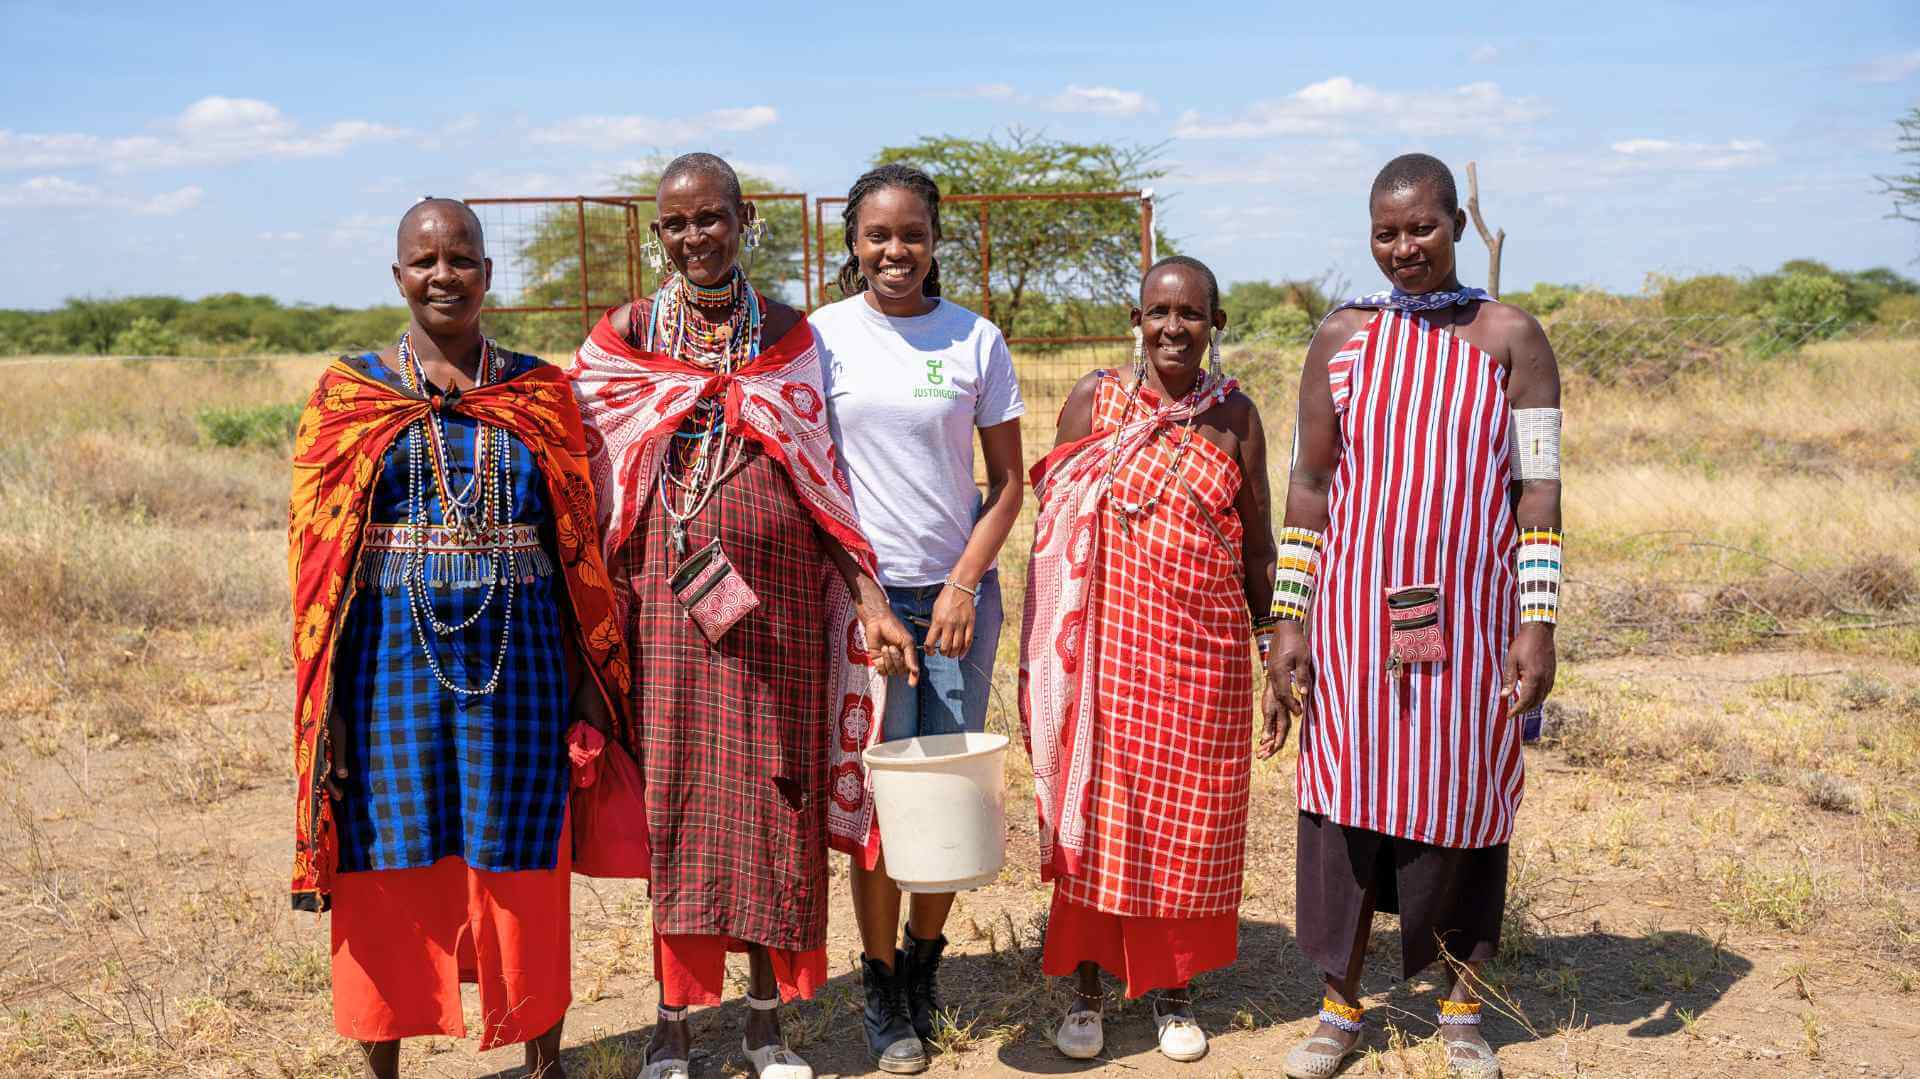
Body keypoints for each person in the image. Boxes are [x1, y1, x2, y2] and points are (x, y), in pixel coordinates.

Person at [568, 153, 919, 1079]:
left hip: (782, 616)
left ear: (743, 217)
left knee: (777, 803)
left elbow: (823, 480)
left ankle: (766, 1025)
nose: (695, 238)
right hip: (665, 614)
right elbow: (592, 474)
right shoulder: (628, 336)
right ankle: (672, 1026)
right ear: (658, 235)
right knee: (680, 808)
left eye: (711, 218)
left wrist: (872, 601)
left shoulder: (792, 337)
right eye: (676, 224)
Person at [287, 198, 630, 1079]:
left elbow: (576, 543)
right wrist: (324, 710)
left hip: (523, 664)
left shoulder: (540, 392)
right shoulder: (349, 394)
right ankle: (384, 1067)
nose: (444, 275)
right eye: (424, 260)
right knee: (386, 856)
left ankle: (544, 1058)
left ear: (487, 272)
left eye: (462, 258)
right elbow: (317, 558)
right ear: (397, 275)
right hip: (383, 666)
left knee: (523, 853)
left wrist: (590, 675)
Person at [1262, 152, 1563, 1079]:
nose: (1404, 248)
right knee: (1344, 800)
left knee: (1462, 797)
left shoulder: (1511, 336)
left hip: (1471, 621)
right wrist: (1288, 619)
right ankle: (1339, 1005)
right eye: (1386, 233)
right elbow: (1309, 484)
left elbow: (1538, 490)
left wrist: (1537, 621)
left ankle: (1463, 1004)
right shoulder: (1341, 338)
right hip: (1355, 621)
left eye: (1422, 228)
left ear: (1458, 228)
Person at [1020, 255, 1277, 1064]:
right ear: (1138, 319)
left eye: (1191, 314)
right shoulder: (1094, 403)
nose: (1173, 327)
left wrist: (1274, 650)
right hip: (1104, 661)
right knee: (1099, 819)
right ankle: (1088, 990)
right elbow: (1054, 534)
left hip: (1203, 666)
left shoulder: (1236, 419)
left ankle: (1172, 990)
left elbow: (1260, 549)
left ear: (1217, 325)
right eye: (1158, 311)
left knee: (1190, 829)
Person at [810, 163, 1026, 1074]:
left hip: (952, 607)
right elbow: (809, 480)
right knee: (877, 803)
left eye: (911, 235)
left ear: (935, 240)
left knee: (942, 794)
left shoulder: (975, 339)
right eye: (875, 236)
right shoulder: (819, 340)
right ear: (852, 242)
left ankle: (925, 972)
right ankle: (877, 980)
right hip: (864, 604)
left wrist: (963, 583)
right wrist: (867, 596)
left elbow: (1013, 481)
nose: (893, 252)